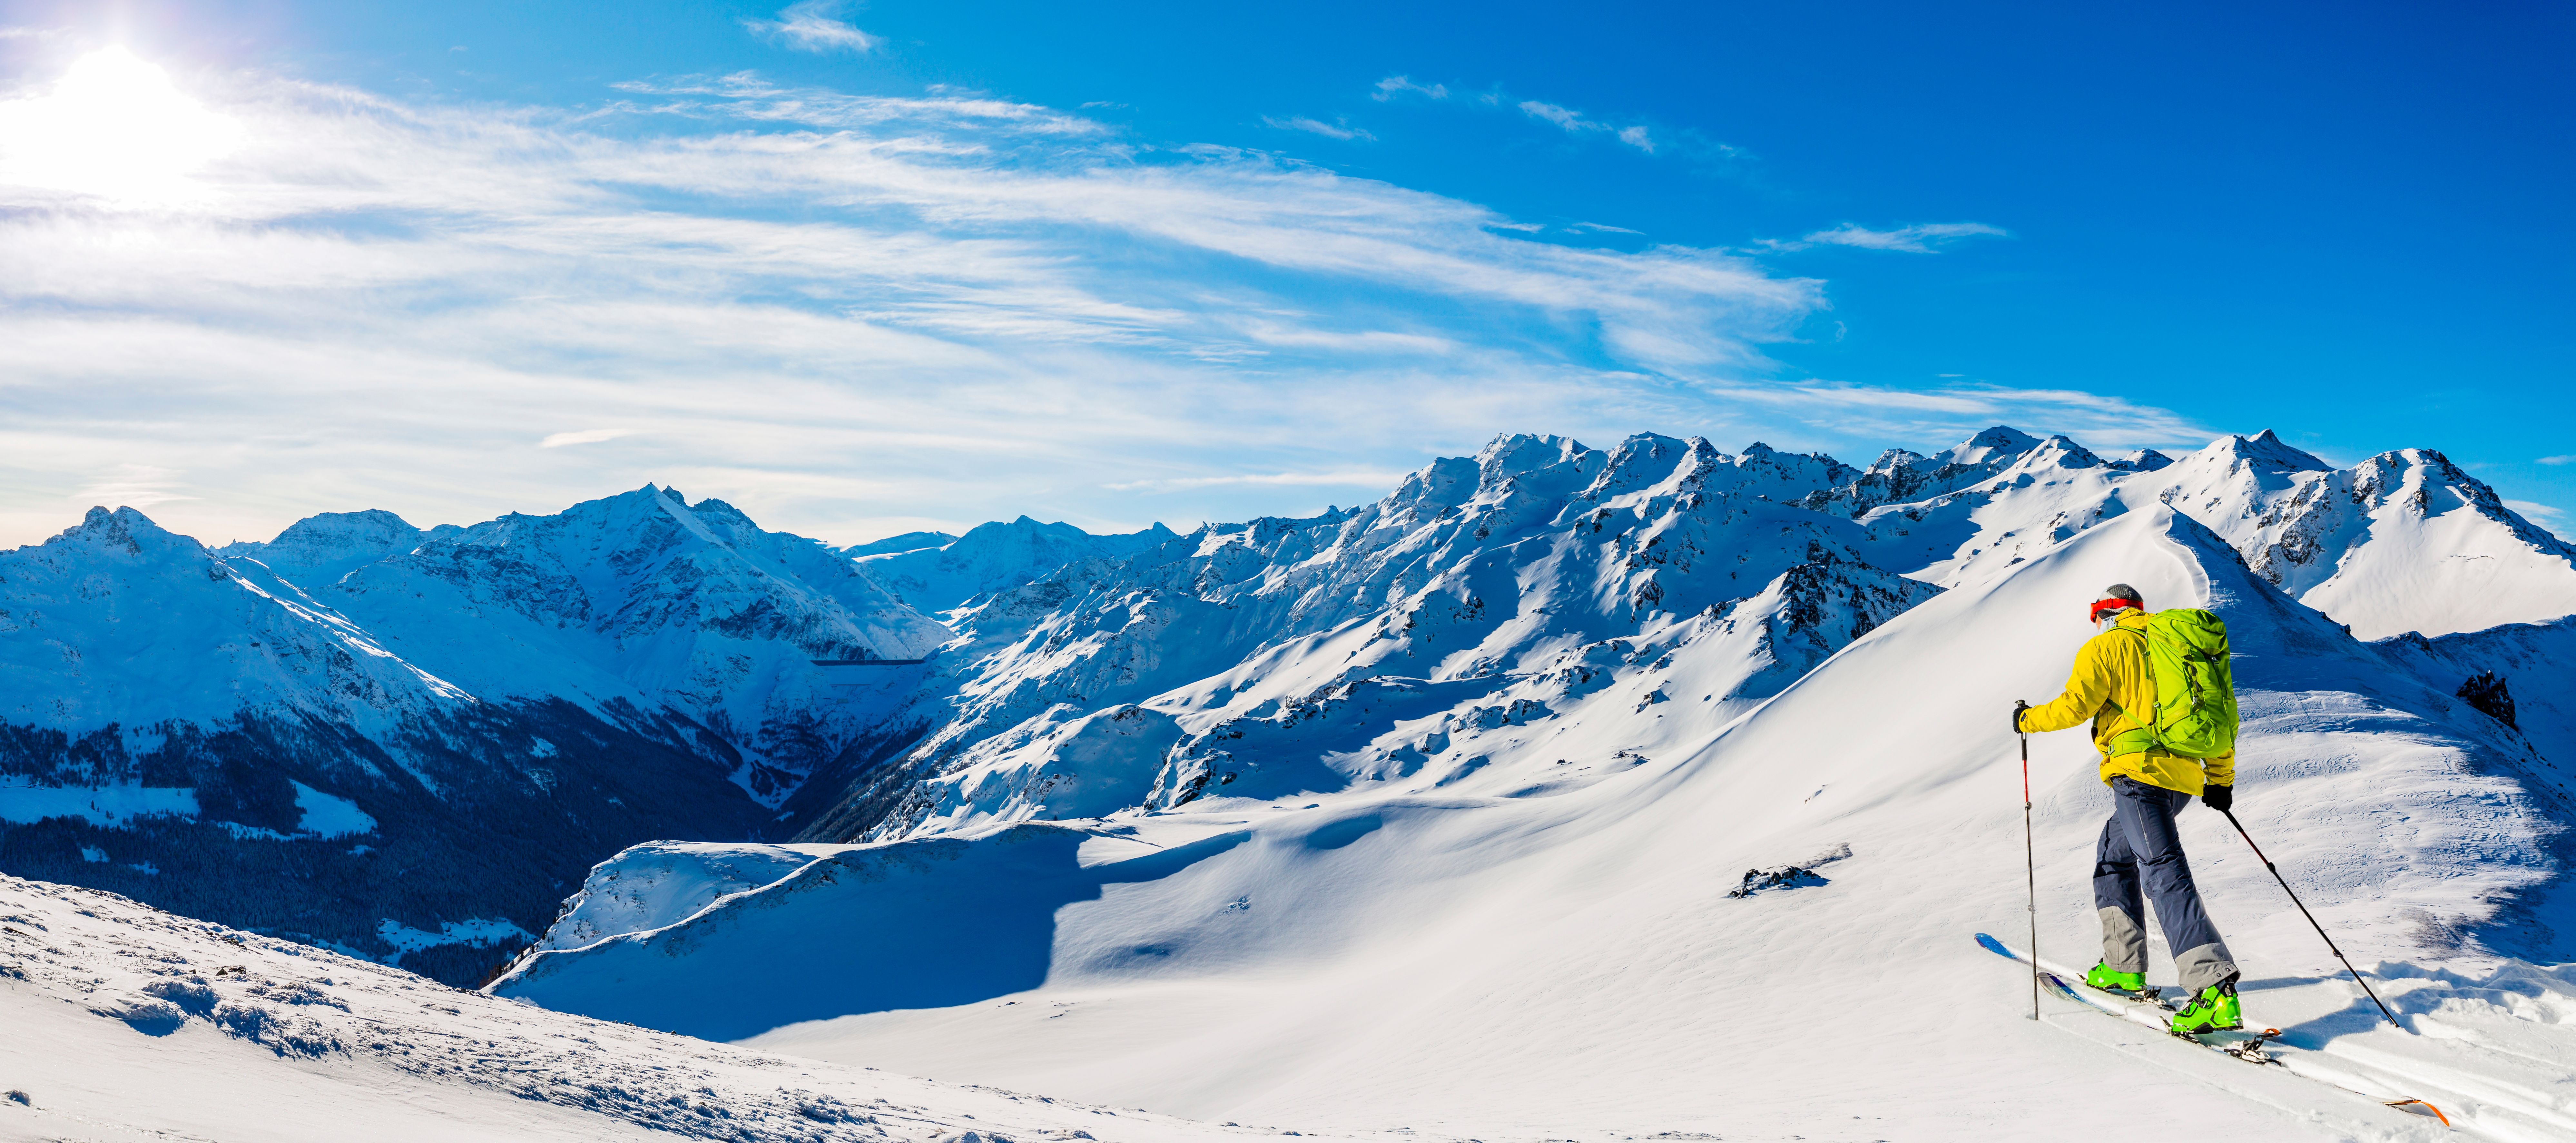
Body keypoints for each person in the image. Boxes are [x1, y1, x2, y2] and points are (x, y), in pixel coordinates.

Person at [2014, 583, 2243, 1035]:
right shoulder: (2177, 645)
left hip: (2138, 774)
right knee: (2113, 853)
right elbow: (2222, 715)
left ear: (2104, 613)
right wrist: (2219, 781)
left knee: (2160, 868)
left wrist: (2027, 719)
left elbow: (2074, 707)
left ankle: (2212, 989)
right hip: (2178, 778)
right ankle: (2122, 965)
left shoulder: (2108, 645)